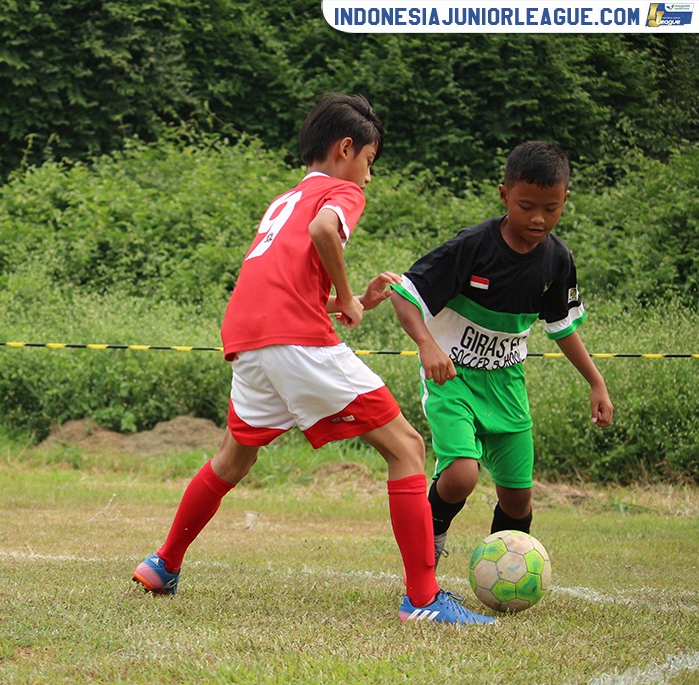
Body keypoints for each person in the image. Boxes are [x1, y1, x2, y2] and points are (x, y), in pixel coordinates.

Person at [132, 93, 494, 625]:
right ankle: (423, 600)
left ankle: (163, 564)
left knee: (233, 459)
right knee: (408, 448)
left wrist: (352, 300)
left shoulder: (283, 200)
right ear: (346, 149)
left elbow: (281, 283)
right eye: (369, 162)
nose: (368, 178)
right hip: (294, 341)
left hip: (249, 337)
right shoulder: (340, 192)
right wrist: (346, 297)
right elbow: (326, 232)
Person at [389, 140, 614, 566]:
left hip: (507, 383)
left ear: (566, 199)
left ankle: (506, 570)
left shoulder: (557, 259)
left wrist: (596, 382)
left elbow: (561, 328)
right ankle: (427, 550)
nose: (538, 218)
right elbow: (405, 295)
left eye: (551, 208)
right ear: (504, 194)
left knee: (517, 496)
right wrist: (428, 346)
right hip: (451, 378)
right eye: (526, 205)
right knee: (460, 475)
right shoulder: (472, 247)